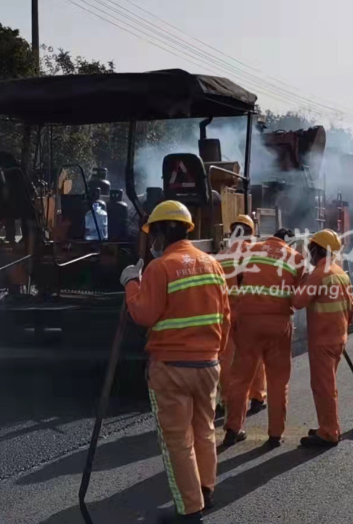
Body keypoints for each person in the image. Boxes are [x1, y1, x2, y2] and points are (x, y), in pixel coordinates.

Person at [120, 200, 230, 523]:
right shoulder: (213, 264)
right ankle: (206, 488)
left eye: (153, 233)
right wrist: (215, 353)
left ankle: (189, 506)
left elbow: (143, 313)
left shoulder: (160, 268)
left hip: (170, 368)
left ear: (164, 231)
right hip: (208, 365)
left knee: (177, 440)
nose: (152, 240)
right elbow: (225, 316)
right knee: (205, 430)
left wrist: (130, 284)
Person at [223, 228, 305, 448]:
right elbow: (300, 294)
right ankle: (276, 435)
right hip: (279, 324)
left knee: (240, 378)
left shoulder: (251, 250)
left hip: (249, 323)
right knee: (278, 381)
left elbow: (235, 277)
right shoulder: (295, 257)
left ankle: (233, 429)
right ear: (289, 241)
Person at [292, 229, 353, 447]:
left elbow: (298, 302)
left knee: (323, 387)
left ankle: (329, 432)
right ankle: (328, 426)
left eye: (311, 248)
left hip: (322, 341)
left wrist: (301, 280)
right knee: (328, 384)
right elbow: (351, 307)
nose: (309, 252)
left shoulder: (319, 273)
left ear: (319, 250)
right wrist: (342, 331)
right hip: (338, 338)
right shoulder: (341, 272)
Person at [214, 214, 267, 419]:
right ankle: (257, 397)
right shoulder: (257, 254)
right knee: (255, 357)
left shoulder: (221, 255)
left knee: (227, 359)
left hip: (227, 314)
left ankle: (227, 399)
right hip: (251, 313)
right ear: (250, 233)